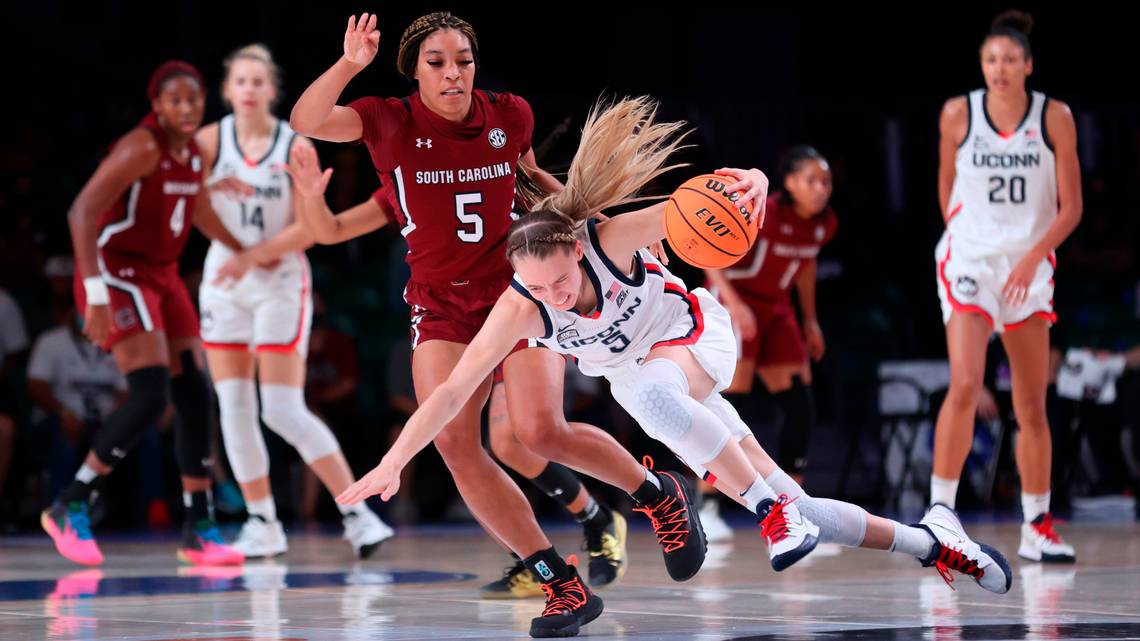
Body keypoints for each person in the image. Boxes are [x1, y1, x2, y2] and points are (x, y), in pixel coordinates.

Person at [336, 97, 1014, 635]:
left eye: (558, 283)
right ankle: (933, 542)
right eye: (535, 290)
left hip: (692, 335)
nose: (552, 299)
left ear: (575, 248)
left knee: (658, 404)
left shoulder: (613, 235)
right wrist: (395, 459)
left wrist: (748, 183)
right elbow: (454, 388)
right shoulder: (521, 307)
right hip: (643, 375)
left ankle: (769, 512)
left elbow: (711, 196)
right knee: (785, 490)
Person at [289, 12, 711, 625]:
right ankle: (559, 583)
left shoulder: (510, 114)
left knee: (537, 432)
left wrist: (619, 238)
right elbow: (305, 121)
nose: (453, 72)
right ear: (414, 71)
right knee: (458, 447)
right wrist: (351, 63)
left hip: (518, 294)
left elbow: (539, 191)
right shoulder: (389, 120)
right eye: (437, 62)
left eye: (463, 59)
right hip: (439, 304)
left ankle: (658, 497)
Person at [44, 60, 245, 567]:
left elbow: (196, 210)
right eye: (174, 100)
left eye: (193, 100)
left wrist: (247, 251)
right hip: (116, 269)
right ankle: (71, 502)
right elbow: (81, 212)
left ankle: (199, 526)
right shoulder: (142, 146)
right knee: (151, 392)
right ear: (156, 105)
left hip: (162, 273)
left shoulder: (192, 153)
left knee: (195, 394)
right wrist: (93, 293)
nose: (185, 108)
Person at [196, 43, 392, 559]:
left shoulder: (294, 145)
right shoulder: (207, 143)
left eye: (259, 81)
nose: (250, 90)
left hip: (280, 279)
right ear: (227, 90)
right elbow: (190, 203)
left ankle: (357, 512)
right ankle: (263, 522)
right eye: (240, 81)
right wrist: (237, 251)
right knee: (234, 406)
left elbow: (313, 228)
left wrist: (256, 252)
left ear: (273, 90)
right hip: (226, 279)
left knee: (280, 407)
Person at [931, 10, 1081, 563]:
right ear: (982, 64)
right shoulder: (957, 113)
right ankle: (941, 516)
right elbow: (947, 186)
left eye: (1010, 59)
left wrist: (1030, 256)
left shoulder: (1055, 117)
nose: (1000, 68)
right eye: (991, 59)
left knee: (1031, 402)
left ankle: (1036, 526)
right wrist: (972, 236)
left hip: (1030, 266)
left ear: (1028, 65)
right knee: (967, 382)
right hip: (972, 260)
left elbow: (1073, 207)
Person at [702, 145, 837, 537]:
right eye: (811, 180)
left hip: (776, 309)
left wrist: (810, 320)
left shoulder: (823, 224)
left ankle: (799, 505)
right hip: (734, 301)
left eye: (826, 181)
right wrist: (731, 301)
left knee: (800, 404)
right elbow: (707, 251)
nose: (821, 188)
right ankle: (709, 504)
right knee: (727, 404)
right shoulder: (762, 209)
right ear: (790, 182)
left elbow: (805, 264)